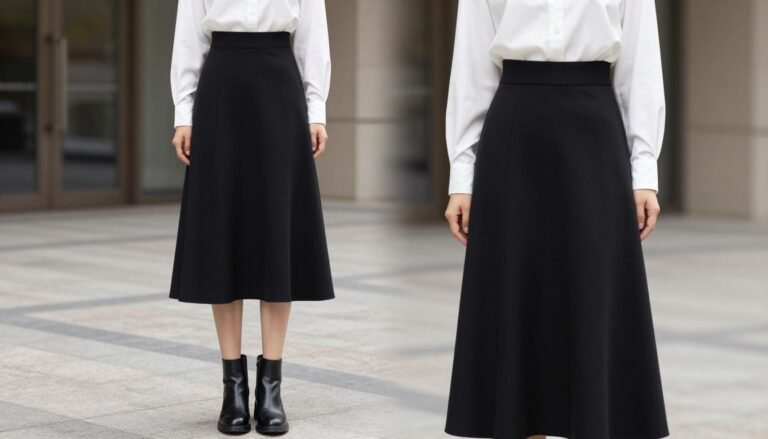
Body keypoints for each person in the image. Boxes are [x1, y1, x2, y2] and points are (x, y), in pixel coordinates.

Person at [443, 0, 669, 438]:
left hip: (595, 136)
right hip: (515, 136)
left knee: (591, 301)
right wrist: (461, 175)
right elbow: (471, 64)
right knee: (520, 309)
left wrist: (644, 170)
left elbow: (640, 64)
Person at [168, 0, 334, 435]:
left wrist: (316, 108)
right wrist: (183, 113)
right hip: (220, 90)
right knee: (224, 231)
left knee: (277, 232)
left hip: (280, 89)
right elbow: (188, 38)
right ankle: (233, 389)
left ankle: (272, 388)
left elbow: (313, 37)